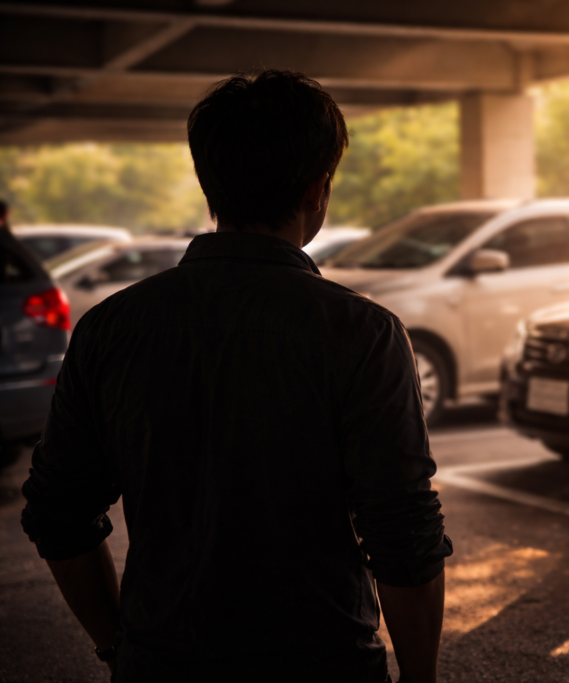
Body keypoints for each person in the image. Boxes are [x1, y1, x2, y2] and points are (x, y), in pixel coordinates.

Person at [21, 70, 452, 682]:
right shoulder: (362, 333)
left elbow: (57, 513)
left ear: (210, 186)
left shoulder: (109, 328)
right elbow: (403, 533)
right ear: (316, 190)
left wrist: (119, 647)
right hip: (323, 664)